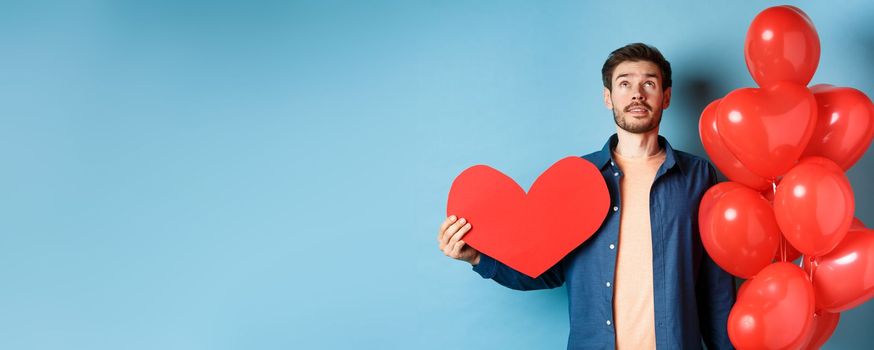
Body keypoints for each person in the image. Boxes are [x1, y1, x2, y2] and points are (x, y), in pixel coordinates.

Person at [437, 43, 736, 349]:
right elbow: (545, 270)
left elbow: (714, 285)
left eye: (649, 83)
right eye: (624, 83)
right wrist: (476, 257)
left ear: (666, 96)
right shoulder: (578, 178)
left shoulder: (698, 176)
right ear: (608, 98)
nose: (637, 93)